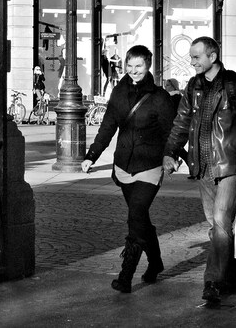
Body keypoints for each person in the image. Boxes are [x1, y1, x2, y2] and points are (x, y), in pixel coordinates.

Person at [162, 36, 236, 308]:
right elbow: (181, 122)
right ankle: (235, 279)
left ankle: (212, 282)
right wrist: (170, 152)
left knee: (219, 222)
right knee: (219, 227)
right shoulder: (192, 87)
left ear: (213, 56)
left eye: (196, 57)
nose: (192, 62)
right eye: (191, 57)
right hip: (202, 167)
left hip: (231, 165)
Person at [81, 45, 175, 293]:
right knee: (141, 218)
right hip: (123, 166)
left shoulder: (160, 97)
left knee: (136, 216)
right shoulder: (119, 92)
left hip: (149, 167)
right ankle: (155, 262)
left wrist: (171, 156)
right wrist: (92, 155)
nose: (134, 71)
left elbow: (171, 132)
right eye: (130, 66)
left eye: (139, 66)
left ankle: (126, 276)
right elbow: (108, 127)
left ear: (148, 65)